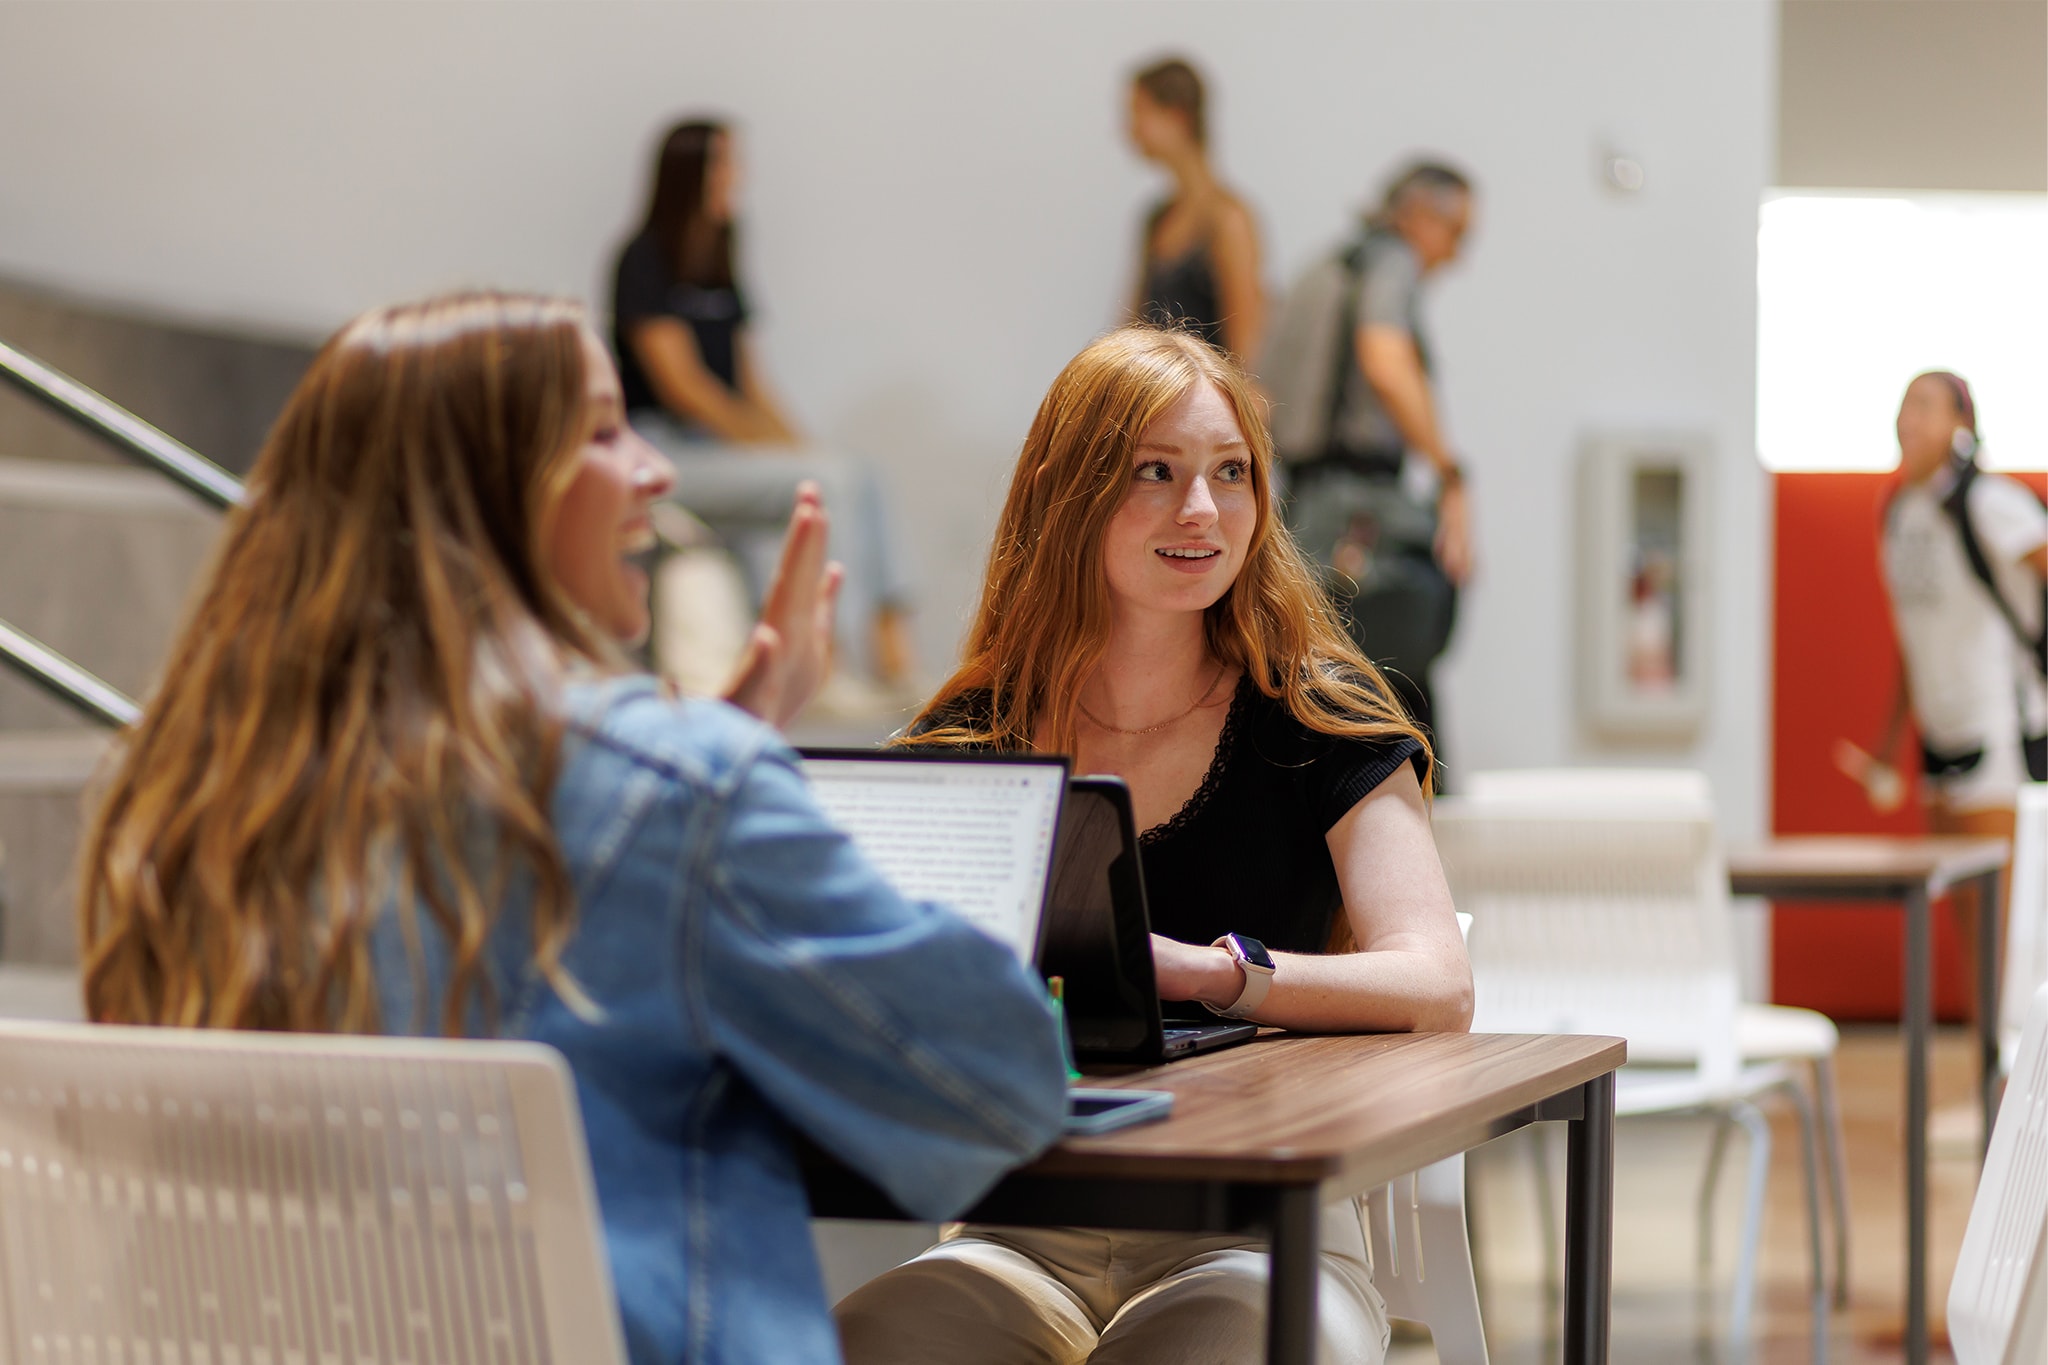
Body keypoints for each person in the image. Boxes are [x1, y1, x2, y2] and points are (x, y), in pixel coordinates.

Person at [75, 293, 1070, 1365]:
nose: (655, 469)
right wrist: (731, 775)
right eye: (601, 432)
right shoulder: (676, 786)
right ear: (484, 491)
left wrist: (720, 759)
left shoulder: (191, 794)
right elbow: (994, 1089)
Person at [834, 327, 1473, 1365]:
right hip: (1013, 1237)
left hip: (1259, 1240)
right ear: (1068, 494)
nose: (1200, 512)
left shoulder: (1318, 719)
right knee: (854, 1345)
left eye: (1230, 474)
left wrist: (1206, 974)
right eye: (1154, 473)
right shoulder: (973, 739)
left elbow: (1436, 982)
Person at [614, 118, 917, 692]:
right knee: (828, 480)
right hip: (666, 452)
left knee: (856, 472)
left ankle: (893, 653)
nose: (737, 177)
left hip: (717, 447)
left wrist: (799, 446)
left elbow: (751, 384)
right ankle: (831, 662)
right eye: (724, 165)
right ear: (691, 175)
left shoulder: (721, 252)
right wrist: (773, 449)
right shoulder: (642, 259)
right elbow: (687, 390)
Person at [1838, 371, 2047, 1027]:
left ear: (1962, 422)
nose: (1909, 420)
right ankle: (1993, 1089)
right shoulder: (1899, 515)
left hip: (2002, 733)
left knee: (2013, 926)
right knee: (1967, 925)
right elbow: (1914, 640)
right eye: (1904, 405)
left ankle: (2023, 1093)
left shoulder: (1992, 503)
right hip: (1940, 737)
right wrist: (1887, 741)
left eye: (1926, 405)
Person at [1265, 162, 1477, 772]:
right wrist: (1451, 473)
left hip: (1302, 506)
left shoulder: (1321, 269)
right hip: (1359, 511)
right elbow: (1384, 358)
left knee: (1314, 680)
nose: (1457, 255)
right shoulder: (1392, 264)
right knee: (1399, 683)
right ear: (1418, 215)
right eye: (1456, 232)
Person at [1126, 57, 1266, 361]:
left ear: (1178, 116)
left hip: (1204, 400)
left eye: (1139, 112)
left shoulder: (1228, 220)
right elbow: (1132, 327)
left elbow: (1247, 350)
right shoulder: (1157, 218)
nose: (1130, 130)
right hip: (1155, 396)